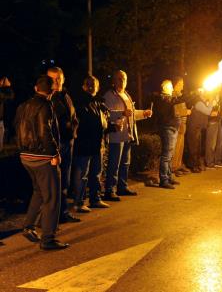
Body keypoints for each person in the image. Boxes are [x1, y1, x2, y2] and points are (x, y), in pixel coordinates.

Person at [15, 75, 69, 250]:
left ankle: (28, 226)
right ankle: (48, 239)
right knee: (52, 198)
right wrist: (55, 153)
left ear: (36, 88)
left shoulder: (23, 106)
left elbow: (16, 127)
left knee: (38, 191)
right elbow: (46, 132)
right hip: (43, 157)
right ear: (52, 90)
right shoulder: (46, 105)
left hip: (26, 156)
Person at [103, 70, 152, 200]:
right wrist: (122, 113)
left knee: (125, 162)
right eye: (119, 78)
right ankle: (110, 190)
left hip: (127, 135)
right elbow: (106, 114)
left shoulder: (126, 95)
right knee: (114, 163)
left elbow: (132, 113)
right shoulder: (109, 95)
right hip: (117, 135)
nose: (122, 81)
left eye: (124, 78)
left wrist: (144, 114)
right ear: (113, 81)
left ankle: (122, 187)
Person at [71, 76, 111, 213]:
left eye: (93, 84)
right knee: (82, 174)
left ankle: (95, 199)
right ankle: (79, 202)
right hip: (84, 144)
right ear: (83, 86)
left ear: (98, 87)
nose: (91, 86)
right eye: (88, 84)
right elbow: (85, 123)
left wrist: (111, 127)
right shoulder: (81, 102)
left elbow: (101, 124)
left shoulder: (98, 103)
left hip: (97, 144)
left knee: (96, 173)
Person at [48, 67, 80, 224]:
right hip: (56, 145)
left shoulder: (66, 96)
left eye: (58, 78)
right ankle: (53, 217)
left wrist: (74, 128)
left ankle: (63, 213)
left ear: (63, 79)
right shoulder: (48, 98)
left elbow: (74, 116)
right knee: (55, 181)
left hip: (68, 142)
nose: (56, 82)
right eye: (53, 79)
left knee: (65, 180)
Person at [153, 80, 180, 189]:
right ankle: (163, 180)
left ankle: (169, 177)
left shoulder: (169, 100)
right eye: (171, 87)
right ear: (165, 88)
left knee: (170, 155)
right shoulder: (163, 100)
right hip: (168, 128)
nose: (173, 89)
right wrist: (174, 100)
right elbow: (165, 113)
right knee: (166, 155)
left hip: (172, 128)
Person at [187, 89, 213, 173]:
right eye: (205, 93)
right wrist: (211, 101)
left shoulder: (202, 102)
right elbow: (208, 111)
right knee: (194, 147)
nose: (207, 94)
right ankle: (193, 165)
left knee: (197, 147)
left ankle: (197, 165)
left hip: (198, 127)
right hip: (194, 127)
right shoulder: (198, 103)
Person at [171, 77, 191, 177]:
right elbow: (176, 111)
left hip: (183, 123)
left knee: (181, 146)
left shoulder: (180, 96)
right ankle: (174, 167)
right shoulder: (174, 96)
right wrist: (186, 112)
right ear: (176, 84)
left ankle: (178, 165)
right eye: (180, 83)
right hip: (178, 124)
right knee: (176, 146)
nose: (182, 85)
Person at [205, 90, 222, 168]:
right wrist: (210, 114)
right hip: (212, 122)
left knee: (220, 142)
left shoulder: (217, 98)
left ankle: (217, 160)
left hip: (218, 121)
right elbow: (205, 111)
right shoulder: (208, 99)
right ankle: (209, 162)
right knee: (211, 143)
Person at [0, 77, 14, 152]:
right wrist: (7, 87)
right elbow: (9, 97)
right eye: (7, 80)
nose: (9, 82)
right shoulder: (2, 92)